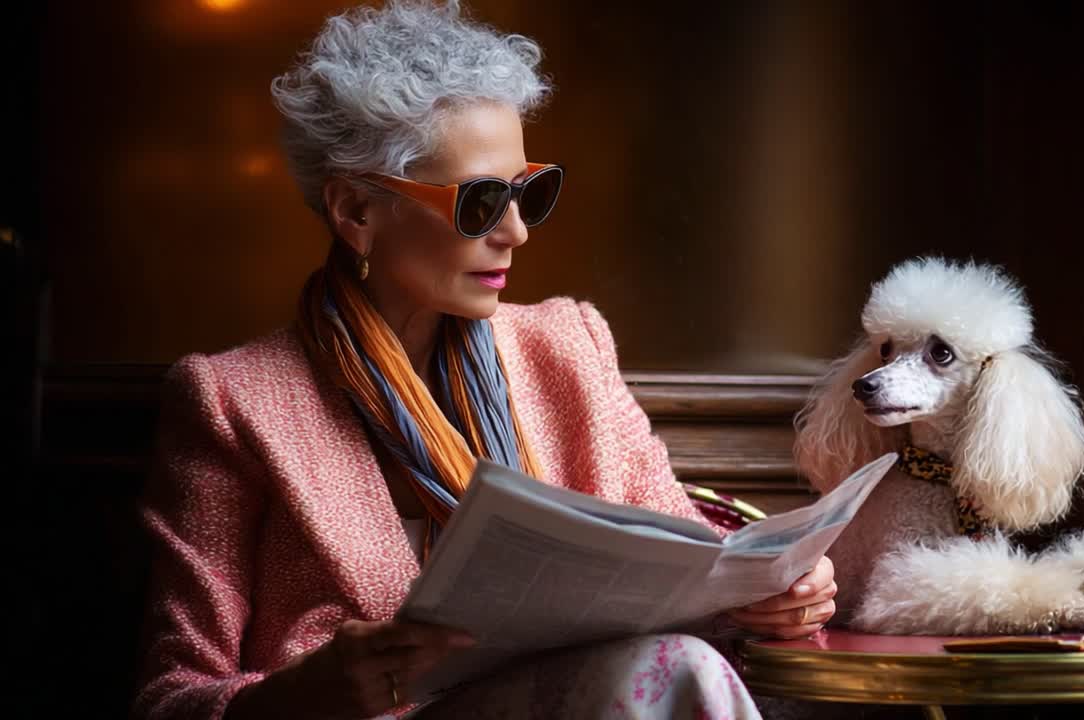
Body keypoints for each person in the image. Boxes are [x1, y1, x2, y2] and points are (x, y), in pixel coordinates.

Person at [133, 2, 837, 718]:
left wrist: (773, 595)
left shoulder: (568, 344)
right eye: (480, 203)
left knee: (676, 664)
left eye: (529, 191)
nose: (517, 232)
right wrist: (303, 694)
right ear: (354, 212)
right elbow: (169, 700)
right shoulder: (230, 401)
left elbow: (684, 565)